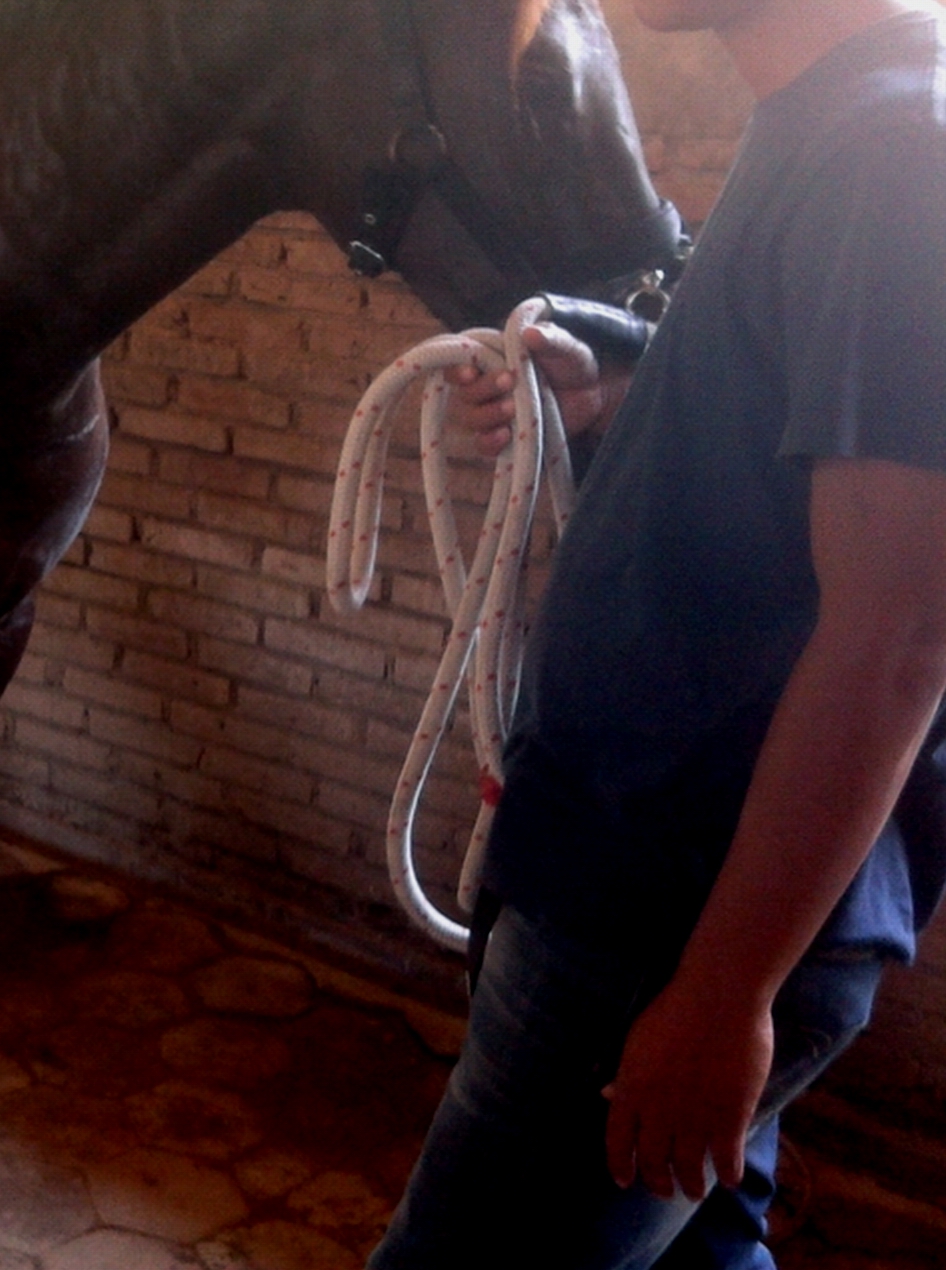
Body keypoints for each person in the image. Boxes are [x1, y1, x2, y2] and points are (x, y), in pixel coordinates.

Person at [369, 1, 946, 1266]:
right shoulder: (827, 116)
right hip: (653, 872)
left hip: (662, 915)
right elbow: (786, 455)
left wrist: (726, 994)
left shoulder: (898, 154)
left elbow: (898, 636)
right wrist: (612, 396)